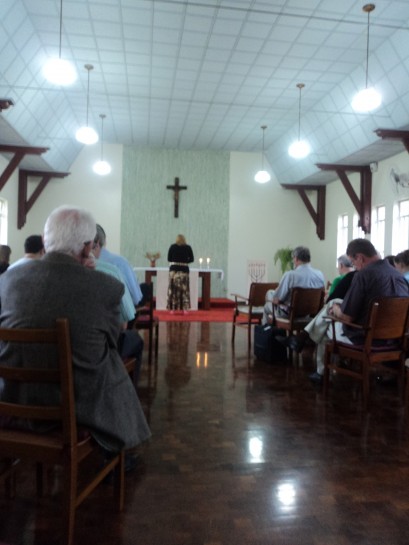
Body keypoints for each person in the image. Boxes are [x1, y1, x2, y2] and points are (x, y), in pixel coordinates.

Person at [0, 205, 151, 457]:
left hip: (14, 402)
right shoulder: (105, 286)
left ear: (45, 241)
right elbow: (111, 343)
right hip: (79, 408)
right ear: (87, 247)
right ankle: (119, 455)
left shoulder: (7, 281)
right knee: (120, 354)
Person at [290, 239, 409, 384]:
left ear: (360, 257)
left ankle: (320, 372)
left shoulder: (363, 275)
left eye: (353, 262)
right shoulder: (398, 275)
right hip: (395, 339)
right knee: (334, 305)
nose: (354, 267)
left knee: (327, 324)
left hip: (365, 339)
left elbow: (347, 318)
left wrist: (336, 311)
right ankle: (304, 339)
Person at [92, 232, 144, 382]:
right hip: (105, 346)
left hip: (63, 353)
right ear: (96, 244)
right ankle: (127, 396)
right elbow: (133, 304)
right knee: (135, 340)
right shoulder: (113, 269)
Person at [262, 246, 325, 324]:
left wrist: (276, 293)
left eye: (293, 259)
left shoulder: (290, 275)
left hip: (290, 314)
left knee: (267, 303)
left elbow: (277, 300)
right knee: (272, 293)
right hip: (309, 314)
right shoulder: (320, 274)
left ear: (296, 258)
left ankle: (267, 332)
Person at [96, 224, 147, 307]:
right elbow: (136, 297)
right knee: (144, 288)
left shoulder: (81, 263)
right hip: (118, 315)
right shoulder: (120, 262)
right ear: (104, 241)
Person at [167, 234, 194, 313]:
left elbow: (169, 259)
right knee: (184, 290)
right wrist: (184, 261)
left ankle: (172, 309)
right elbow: (192, 259)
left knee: (173, 289)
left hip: (174, 271)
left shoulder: (172, 247)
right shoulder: (188, 247)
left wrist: (176, 261)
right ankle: (185, 309)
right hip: (184, 270)